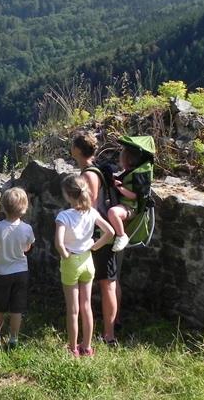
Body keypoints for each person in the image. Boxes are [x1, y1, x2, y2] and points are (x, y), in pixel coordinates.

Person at [71, 130, 122, 346]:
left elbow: (88, 206)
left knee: (106, 283)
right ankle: (113, 325)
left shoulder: (89, 174)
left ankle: (109, 334)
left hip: (98, 235)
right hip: (101, 234)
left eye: (72, 145)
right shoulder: (94, 171)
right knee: (109, 281)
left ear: (77, 150)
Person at [55, 174, 114, 357]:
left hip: (72, 262)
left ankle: (73, 348)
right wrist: (95, 245)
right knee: (86, 306)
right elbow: (110, 232)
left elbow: (58, 242)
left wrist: (65, 255)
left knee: (73, 310)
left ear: (68, 195)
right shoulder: (92, 213)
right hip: (88, 261)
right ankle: (87, 347)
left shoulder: (64, 216)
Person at [0, 187, 35, 349]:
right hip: (21, 272)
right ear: (24, 208)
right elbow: (27, 248)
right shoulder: (27, 229)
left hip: (2, 272)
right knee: (17, 309)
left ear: (3, 207)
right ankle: (13, 339)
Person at [108, 137, 154, 252]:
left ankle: (121, 236)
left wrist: (119, 187)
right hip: (124, 205)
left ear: (128, 160)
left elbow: (135, 196)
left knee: (113, 212)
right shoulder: (130, 173)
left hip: (130, 207)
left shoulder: (137, 176)